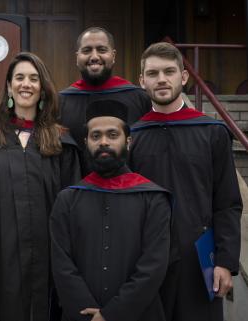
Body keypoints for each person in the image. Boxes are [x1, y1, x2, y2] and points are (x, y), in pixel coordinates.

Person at [129, 42, 242, 321]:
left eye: (169, 71)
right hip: (146, 260)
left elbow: (227, 202)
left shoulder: (212, 132)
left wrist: (226, 262)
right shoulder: (132, 138)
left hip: (199, 260)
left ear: (184, 76)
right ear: (142, 81)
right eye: (153, 73)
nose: (162, 79)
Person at [0, 52, 81, 321]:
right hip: (1, 263)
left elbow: (74, 211)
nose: (26, 84)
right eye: (19, 78)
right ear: (8, 86)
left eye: (33, 78)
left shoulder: (63, 144)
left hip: (51, 263)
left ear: (42, 88)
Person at [51, 99, 171, 321]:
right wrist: (87, 313)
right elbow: (62, 264)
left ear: (128, 141)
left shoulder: (153, 198)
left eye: (112, 135)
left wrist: (111, 315)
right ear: (85, 142)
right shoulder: (67, 200)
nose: (103, 142)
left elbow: (153, 267)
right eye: (96, 136)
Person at [59, 27, 152, 176]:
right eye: (87, 50)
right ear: (77, 57)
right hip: (77, 193)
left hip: (129, 192)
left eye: (102, 50)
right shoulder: (61, 102)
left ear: (113, 55)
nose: (94, 56)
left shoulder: (139, 98)